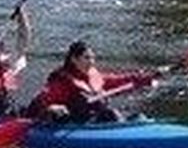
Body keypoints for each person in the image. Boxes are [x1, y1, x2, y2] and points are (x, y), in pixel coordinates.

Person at [25, 41, 159, 124]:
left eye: (93, 58)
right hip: (76, 123)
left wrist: (147, 77)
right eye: (87, 58)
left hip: (96, 121)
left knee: (138, 116)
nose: (92, 62)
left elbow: (121, 79)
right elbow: (41, 101)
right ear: (74, 59)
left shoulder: (94, 76)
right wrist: (51, 107)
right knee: (111, 114)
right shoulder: (62, 81)